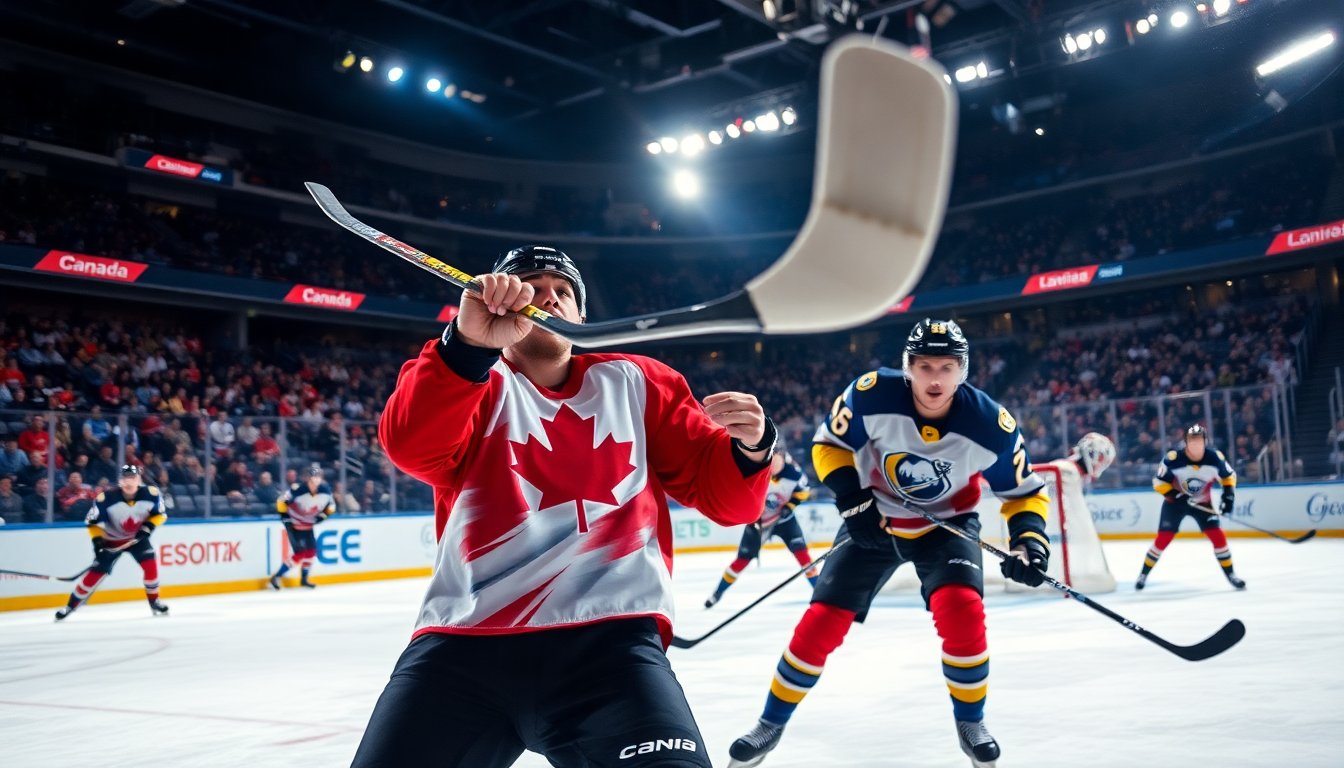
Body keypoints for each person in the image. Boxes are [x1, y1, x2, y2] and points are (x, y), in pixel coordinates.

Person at [351, 245, 775, 768]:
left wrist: (752, 447)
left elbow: (726, 501)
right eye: (529, 287)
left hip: (612, 649)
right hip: (462, 648)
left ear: (581, 318)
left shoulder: (638, 380)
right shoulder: (466, 379)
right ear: (498, 304)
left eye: (564, 292)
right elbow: (412, 447)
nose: (548, 298)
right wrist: (466, 347)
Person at [727, 319, 1049, 768]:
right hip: (872, 522)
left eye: (947, 367)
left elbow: (1023, 493)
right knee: (820, 623)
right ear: (908, 367)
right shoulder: (872, 392)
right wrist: (854, 502)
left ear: (963, 371)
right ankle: (770, 724)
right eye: (924, 366)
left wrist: (1028, 544)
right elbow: (829, 445)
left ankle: (970, 723)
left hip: (947, 528)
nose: (935, 379)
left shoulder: (991, 424)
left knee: (963, 613)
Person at [704, 447, 817, 608]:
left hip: (785, 521)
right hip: (758, 523)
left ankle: (821, 594)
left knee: (803, 556)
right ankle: (717, 593)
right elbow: (740, 493)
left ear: (783, 456)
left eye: (777, 458)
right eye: (771, 458)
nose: (774, 464)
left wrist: (789, 507)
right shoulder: (756, 470)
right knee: (742, 560)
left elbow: (803, 492)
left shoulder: (795, 474)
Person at [1135, 423, 1243, 591]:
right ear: (1186, 442)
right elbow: (1158, 482)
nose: (1196, 444)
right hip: (1174, 504)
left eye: (1199, 440)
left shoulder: (1215, 458)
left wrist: (1228, 496)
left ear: (1205, 441)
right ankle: (1143, 574)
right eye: (1192, 441)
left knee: (1218, 537)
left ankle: (1231, 575)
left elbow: (1229, 477)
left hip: (1203, 503)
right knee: (1163, 539)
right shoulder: (1172, 459)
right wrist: (1176, 496)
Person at [55, 465, 169, 621]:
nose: (129, 483)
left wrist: (147, 527)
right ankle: (70, 605)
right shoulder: (105, 498)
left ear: (139, 480)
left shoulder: (151, 494)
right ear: (120, 481)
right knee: (95, 574)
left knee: (151, 568)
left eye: (133, 479)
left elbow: (160, 515)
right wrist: (97, 542)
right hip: (112, 540)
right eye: (125, 479)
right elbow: (91, 522)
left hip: (137, 539)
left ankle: (154, 601)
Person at [267, 465, 333, 590]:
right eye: (314, 477)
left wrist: (323, 517)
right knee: (300, 553)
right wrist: (285, 517)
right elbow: (281, 501)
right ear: (308, 479)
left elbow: (331, 507)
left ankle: (304, 579)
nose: (316, 480)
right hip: (294, 524)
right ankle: (276, 577)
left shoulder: (325, 490)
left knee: (311, 552)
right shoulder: (297, 489)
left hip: (308, 524)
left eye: (319, 477)